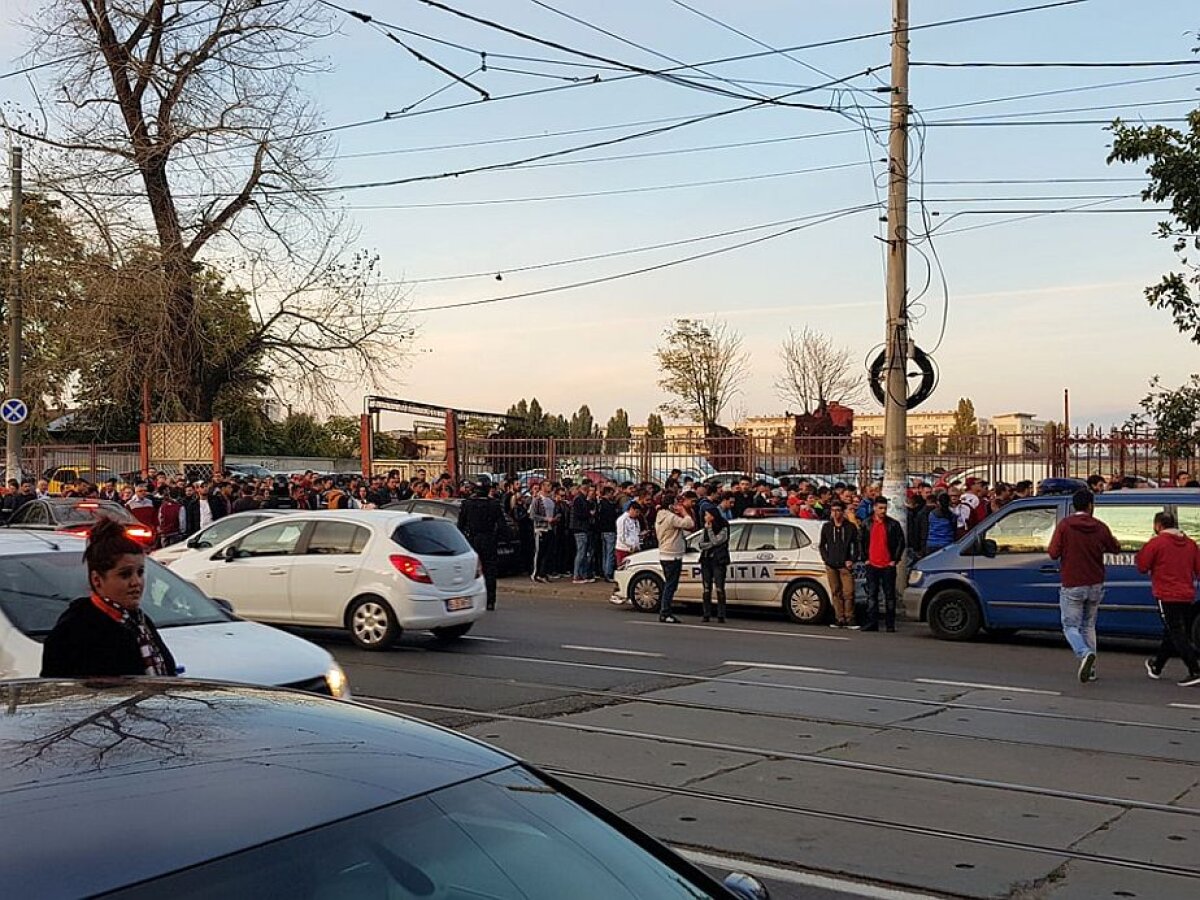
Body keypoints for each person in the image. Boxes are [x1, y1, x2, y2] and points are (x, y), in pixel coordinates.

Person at [41, 518, 177, 678]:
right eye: (125, 574)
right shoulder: (75, 630)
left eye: (140, 572)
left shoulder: (139, 622)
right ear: (97, 580)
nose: (136, 582)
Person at [1047, 489, 1120, 683]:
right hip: (1095, 582)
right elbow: (1115, 548)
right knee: (1088, 625)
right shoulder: (1100, 526)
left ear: (1074, 506)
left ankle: (1084, 653)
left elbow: (1053, 553)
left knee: (1070, 626)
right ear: (1090, 506)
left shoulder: (1065, 526)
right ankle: (1092, 670)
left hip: (1072, 582)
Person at [1136, 511, 1200, 687]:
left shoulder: (1156, 543)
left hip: (1166, 594)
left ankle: (1194, 669)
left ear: (1158, 525)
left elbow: (1142, 566)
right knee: (1172, 631)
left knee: (1176, 632)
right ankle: (1157, 666)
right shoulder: (1190, 544)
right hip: (1186, 594)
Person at [858, 497, 904, 632]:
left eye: (885, 508)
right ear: (874, 508)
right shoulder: (867, 523)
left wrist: (894, 560)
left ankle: (890, 624)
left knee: (889, 596)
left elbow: (900, 542)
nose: (883, 511)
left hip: (887, 565)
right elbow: (861, 541)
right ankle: (872, 622)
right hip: (872, 564)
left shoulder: (893, 524)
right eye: (880, 508)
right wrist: (865, 559)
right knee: (872, 595)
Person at [458, 475, 504, 610]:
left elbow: (460, 526)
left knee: (472, 571)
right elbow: (502, 526)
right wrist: (500, 539)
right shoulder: (494, 504)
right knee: (490, 571)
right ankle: (490, 601)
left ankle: (471, 599)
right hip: (488, 540)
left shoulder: (467, 504)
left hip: (473, 540)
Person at [654, 491, 695, 624]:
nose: (679, 506)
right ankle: (665, 612)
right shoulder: (671, 517)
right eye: (676, 504)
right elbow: (689, 523)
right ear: (671, 505)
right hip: (672, 554)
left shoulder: (660, 516)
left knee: (670, 584)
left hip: (665, 553)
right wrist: (684, 512)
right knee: (670, 585)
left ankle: (665, 610)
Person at [819, 500, 859, 629]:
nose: (835, 513)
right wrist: (826, 559)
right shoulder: (827, 527)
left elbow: (856, 546)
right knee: (835, 592)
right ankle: (839, 618)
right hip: (831, 564)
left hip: (845, 565)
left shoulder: (850, 527)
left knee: (848, 592)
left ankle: (850, 618)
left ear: (843, 512)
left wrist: (852, 559)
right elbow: (822, 545)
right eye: (833, 511)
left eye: (838, 510)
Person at [697, 506, 730, 623]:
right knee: (706, 588)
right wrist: (710, 543)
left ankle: (721, 614)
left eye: (707, 515)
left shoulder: (723, 526)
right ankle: (706, 613)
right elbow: (701, 544)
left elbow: (717, 541)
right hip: (706, 560)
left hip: (718, 560)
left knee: (719, 588)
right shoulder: (705, 527)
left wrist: (710, 530)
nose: (705, 517)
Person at [529, 481, 558, 583]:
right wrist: (545, 519)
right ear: (543, 487)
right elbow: (532, 515)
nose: (550, 487)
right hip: (540, 529)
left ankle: (543, 573)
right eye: (548, 485)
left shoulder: (551, 500)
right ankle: (536, 574)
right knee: (539, 552)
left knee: (548, 552)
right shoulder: (537, 500)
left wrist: (555, 518)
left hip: (550, 528)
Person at [924, 492, 958, 557]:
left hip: (932, 543)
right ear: (949, 502)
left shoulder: (932, 514)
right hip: (947, 544)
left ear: (938, 502)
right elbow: (954, 531)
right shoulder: (952, 516)